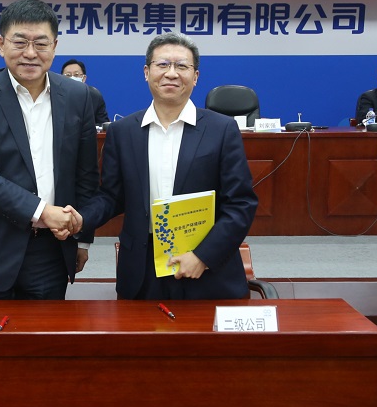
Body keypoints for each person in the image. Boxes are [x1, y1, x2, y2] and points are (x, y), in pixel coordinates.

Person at [75, 32, 257, 300]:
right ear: (146, 72)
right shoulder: (122, 132)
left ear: (195, 76)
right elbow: (112, 196)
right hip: (142, 268)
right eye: (162, 64)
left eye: (181, 66)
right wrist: (80, 219)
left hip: (206, 267)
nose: (171, 73)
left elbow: (241, 203)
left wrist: (203, 256)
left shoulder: (222, 130)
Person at [0, 0, 99, 300]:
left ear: (54, 46)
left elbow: (85, 174)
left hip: (51, 248)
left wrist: (82, 239)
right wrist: (42, 211)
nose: (30, 53)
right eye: (20, 42)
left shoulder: (79, 96)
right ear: (1, 44)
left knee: (44, 331)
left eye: (41, 44)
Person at [61, 58, 109, 125]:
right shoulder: (55, 95)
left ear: (83, 78)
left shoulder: (94, 96)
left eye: (76, 75)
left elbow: (103, 124)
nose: (72, 78)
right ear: (61, 78)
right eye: (68, 75)